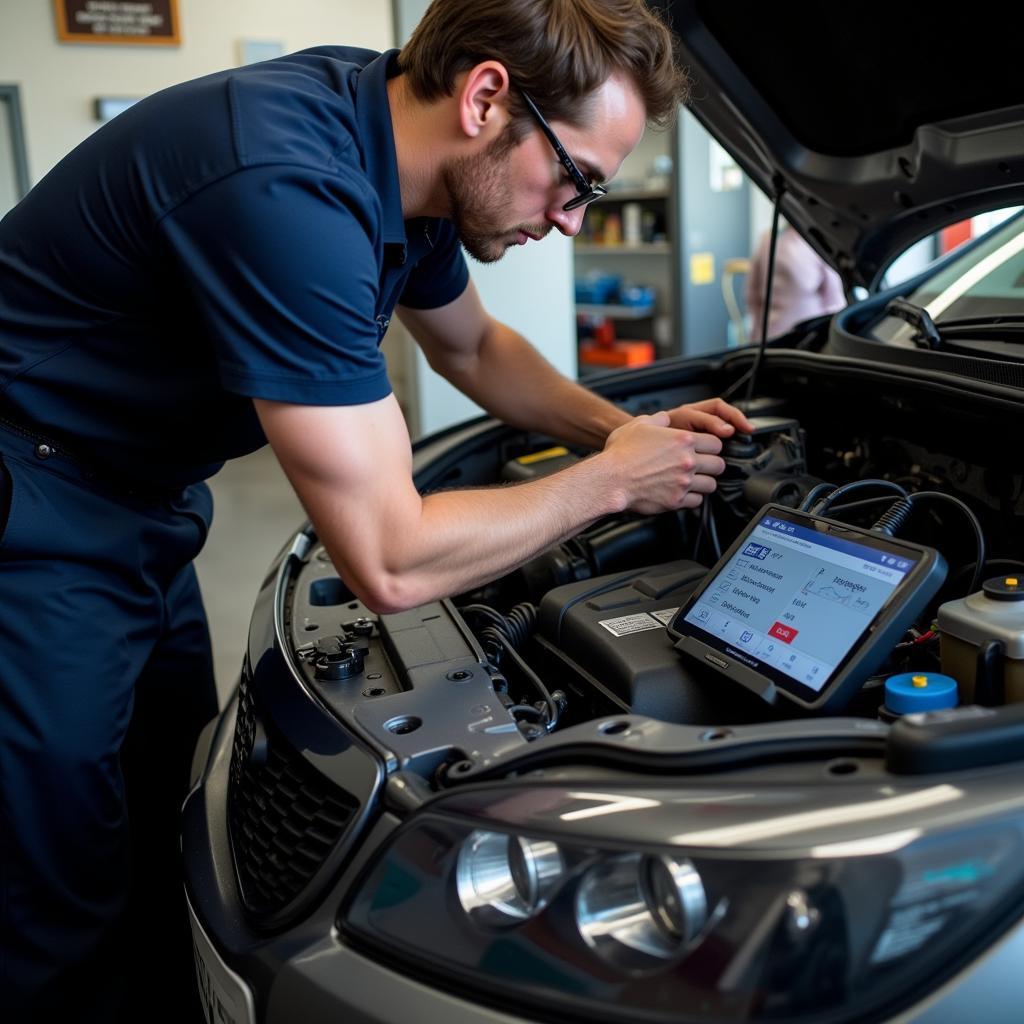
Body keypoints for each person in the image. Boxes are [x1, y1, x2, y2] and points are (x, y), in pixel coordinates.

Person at [0, 1, 753, 1018]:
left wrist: (620, 430)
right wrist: (614, 485)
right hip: (30, 509)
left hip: (141, 498)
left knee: (151, 805)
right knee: (53, 874)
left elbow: (474, 349)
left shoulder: (396, 148)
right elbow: (389, 561)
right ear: (488, 97)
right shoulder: (285, 184)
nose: (572, 219)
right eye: (576, 182)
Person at [745, 222, 846, 340]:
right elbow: (835, 301)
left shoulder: (768, 240)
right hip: (794, 338)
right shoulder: (818, 245)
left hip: (785, 336)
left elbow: (751, 295)